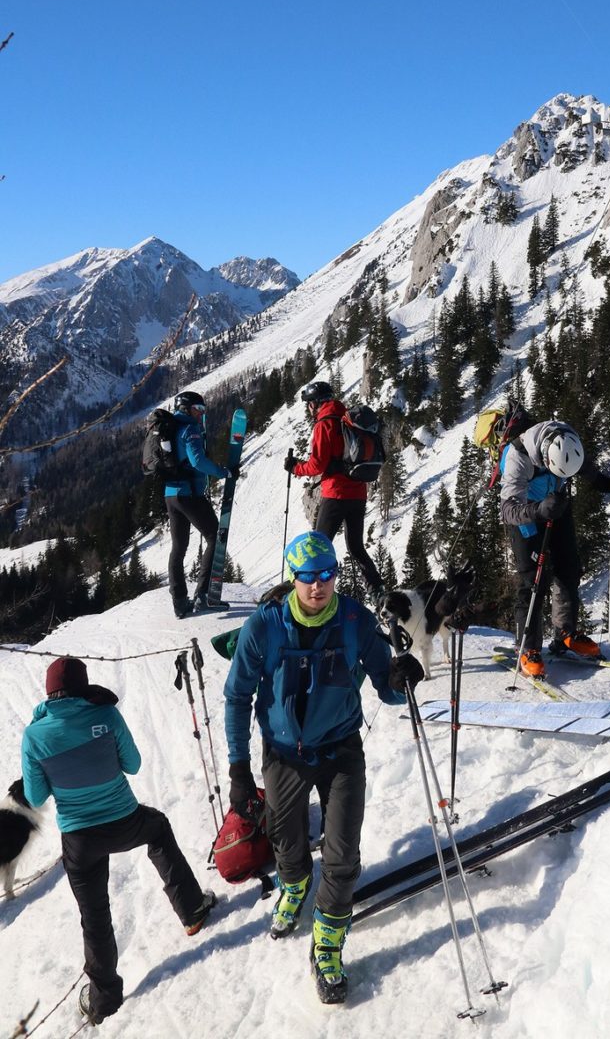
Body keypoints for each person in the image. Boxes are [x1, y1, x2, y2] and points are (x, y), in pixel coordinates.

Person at [223, 530, 422, 1004]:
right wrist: (238, 768)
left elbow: (386, 687)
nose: (318, 586)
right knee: (286, 838)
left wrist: (403, 678)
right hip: (283, 754)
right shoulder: (264, 627)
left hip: (341, 750)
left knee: (342, 853)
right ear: (294, 578)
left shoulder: (355, 621)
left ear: (335, 574)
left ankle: (327, 943)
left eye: (326, 574)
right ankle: (294, 885)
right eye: (308, 577)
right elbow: (236, 697)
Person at [21, 657, 215, 1028]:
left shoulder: (34, 736)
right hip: (126, 821)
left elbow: (36, 795)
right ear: (83, 685)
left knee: (94, 916)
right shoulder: (106, 716)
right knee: (158, 829)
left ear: (48, 693)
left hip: (79, 839)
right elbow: (135, 764)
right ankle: (192, 911)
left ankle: (104, 1000)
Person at [499, 420, 610, 678]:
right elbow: (507, 511)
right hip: (525, 514)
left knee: (569, 567)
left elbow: (583, 467)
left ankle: (565, 634)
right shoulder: (518, 457)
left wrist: (607, 484)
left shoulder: (567, 438)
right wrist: (538, 510)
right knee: (533, 579)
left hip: (556, 504)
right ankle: (527, 648)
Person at [284, 381, 384, 601]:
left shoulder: (324, 424)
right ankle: (378, 593)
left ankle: (308, 593)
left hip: (336, 494)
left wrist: (295, 467)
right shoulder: (347, 418)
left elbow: (317, 465)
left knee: (318, 546)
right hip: (358, 493)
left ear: (315, 404)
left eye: (309, 404)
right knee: (356, 547)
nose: (309, 409)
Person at [165, 389, 235, 618]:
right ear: (186, 408)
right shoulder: (190, 429)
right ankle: (203, 596)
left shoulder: (170, 428)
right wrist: (223, 472)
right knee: (215, 536)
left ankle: (179, 602)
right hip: (190, 494)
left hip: (171, 495)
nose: (202, 414)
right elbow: (197, 461)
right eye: (199, 409)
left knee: (179, 547)